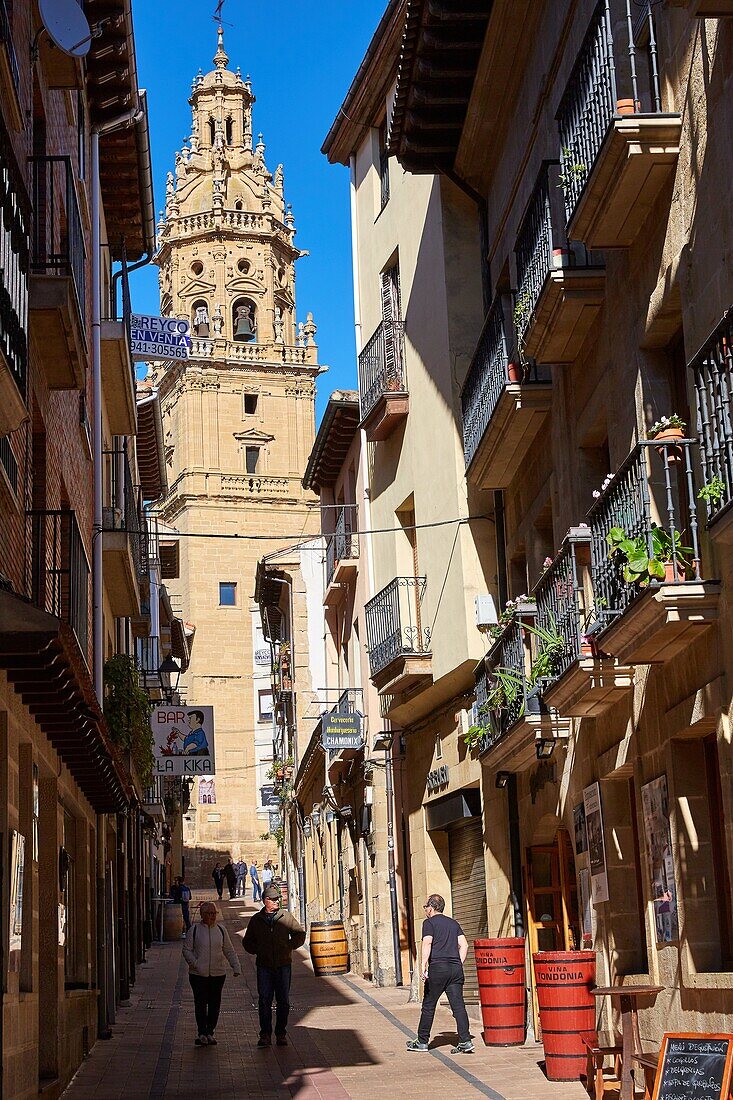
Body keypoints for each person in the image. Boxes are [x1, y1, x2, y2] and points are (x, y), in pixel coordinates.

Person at [406, 894, 473, 1055]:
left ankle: (422, 1041)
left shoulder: (428, 923)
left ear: (431, 907)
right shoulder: (453, 923)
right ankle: (465, 1040)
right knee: (458, 1006)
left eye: (425, 907)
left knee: (428, 1005)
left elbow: (427, 942)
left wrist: (422, 965)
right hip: (455, 970)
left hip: (438, 968)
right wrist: (458, 962)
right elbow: (464, 945)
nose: (425, 910)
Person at [243, 884, 305, 1047]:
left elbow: (299, 933)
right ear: (265, 901)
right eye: (274, 899)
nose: (278, 901)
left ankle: (281, 1033)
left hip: (283, 964)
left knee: (283, 1000)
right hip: (264, 966)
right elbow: (247, 941)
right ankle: (265, 1034)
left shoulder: (286, 917)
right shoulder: (256, 920)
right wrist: (259, 951)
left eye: (278, 898)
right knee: (264, 1000)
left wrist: (289, 946)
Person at [183, 901, 241, 1046]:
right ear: (202, 915)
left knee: (215, 1004)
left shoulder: (221, 930)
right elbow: (187, 950)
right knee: (201, 1004)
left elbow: (228, 950)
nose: (212, 916)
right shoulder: (194, 930)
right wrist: (196, 964)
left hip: (218, 974)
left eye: (214, 913)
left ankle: (210, 1031)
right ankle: (202, 1032)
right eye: (209, 913)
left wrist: (236, 966)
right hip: (198, 975)